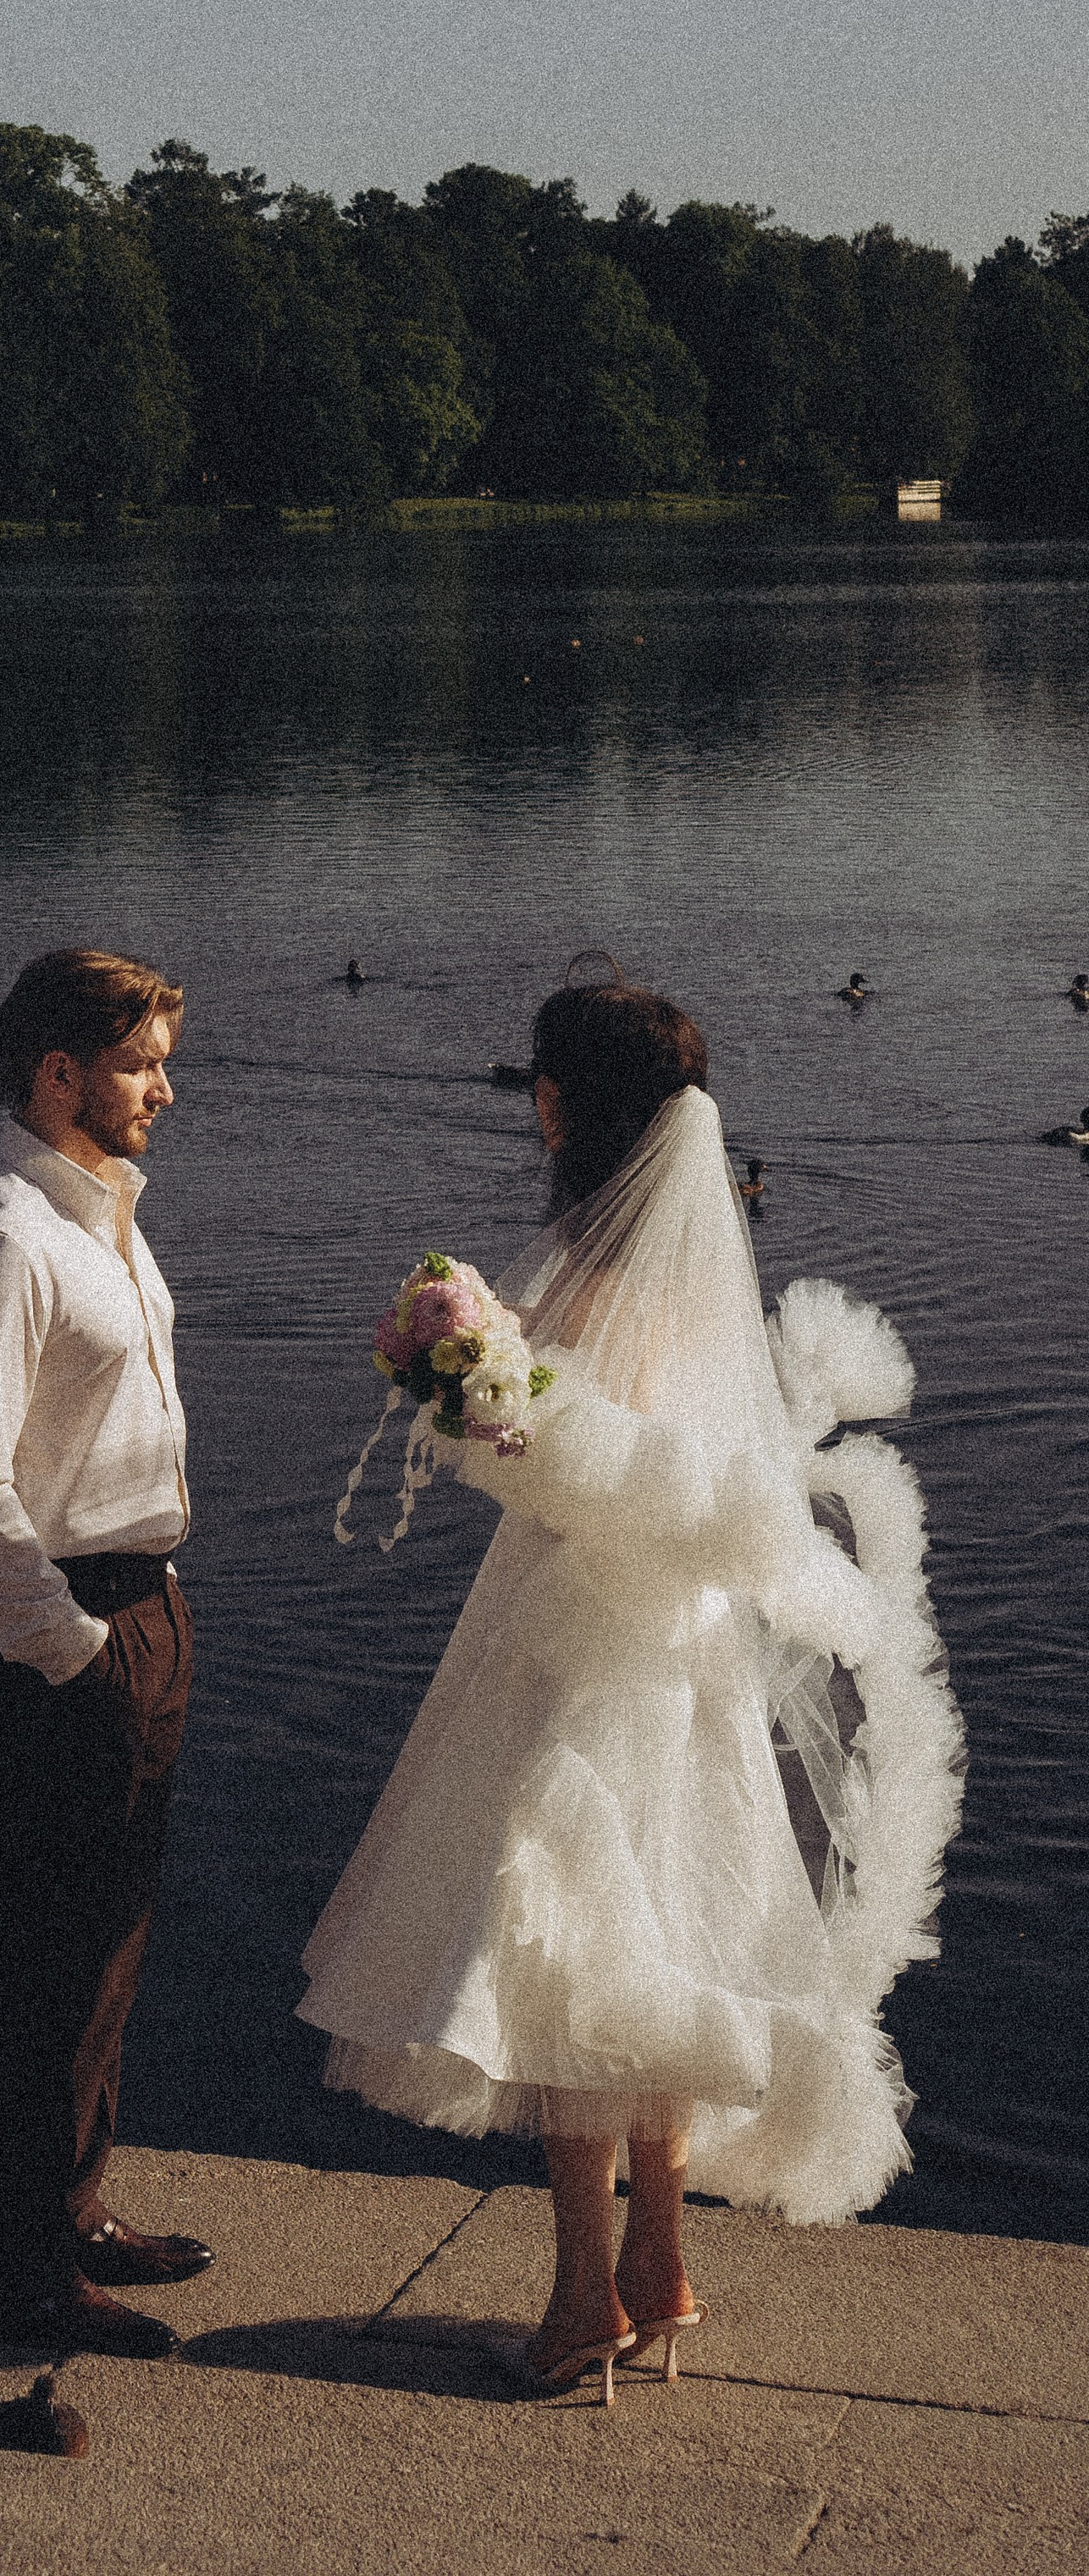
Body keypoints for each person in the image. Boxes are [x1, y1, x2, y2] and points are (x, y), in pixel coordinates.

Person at [300, 975, 963, 2402]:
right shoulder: (695, 1279)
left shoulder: (590, 1277)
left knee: (568, 1967)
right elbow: (692, 1480)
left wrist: (474, 1398)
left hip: (578, 1647)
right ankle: (661, 2270)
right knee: (665, 1941)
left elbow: (578, 1474)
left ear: (557, 1107)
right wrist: (483, 1389)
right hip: (685, 1650)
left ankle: (577, 2301)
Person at [0, 946, 211, 2358]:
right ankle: (22, 2274)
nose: (165, 1088)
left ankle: (72, 2210)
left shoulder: (106, 1222)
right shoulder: (3, 1244)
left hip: (141, 1606)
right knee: (37, 1957)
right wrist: (78, 1654)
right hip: (55, 1632)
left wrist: (145, 1623)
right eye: (140, 1064)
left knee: (109, 1944)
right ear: (58, 1075)